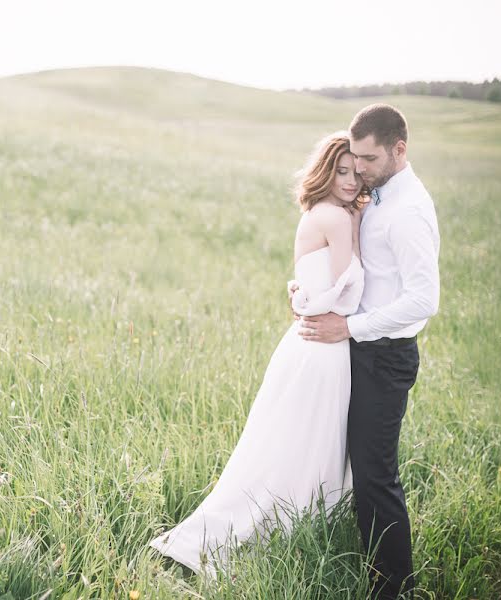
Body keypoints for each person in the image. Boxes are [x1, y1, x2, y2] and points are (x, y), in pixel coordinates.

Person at [147, 132, 367, 580]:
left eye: (354, 172)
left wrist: (303, 296)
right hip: (326, 347)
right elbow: (348, 293)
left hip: (301, 345)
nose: (349, 180)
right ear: (325, 171)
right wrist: (358, 231)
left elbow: (312, 282)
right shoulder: (341, 221)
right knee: (317, 444)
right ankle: (299, 525)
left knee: (285, 442)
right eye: (340, 171)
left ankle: (258, 521)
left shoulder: (314, 214)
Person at [298, 104, 440, 599]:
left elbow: (424, 300)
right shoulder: (375, 194)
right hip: (359, 346)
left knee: (376, 474)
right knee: (351, 462)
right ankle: (362, 561)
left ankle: (391, 586)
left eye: (369, 158)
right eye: (353, 157)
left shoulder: (408, 211)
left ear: (400, 150)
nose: (358, 167)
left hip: (385, 355)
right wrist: (307, 286)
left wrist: (351, 327)